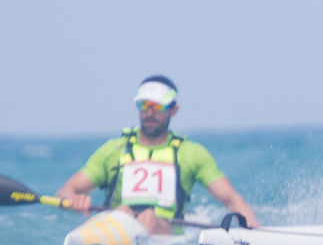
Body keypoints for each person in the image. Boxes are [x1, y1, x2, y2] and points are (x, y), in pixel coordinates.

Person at [56, 75, 258, 234]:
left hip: (165, 232)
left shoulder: (191, 153)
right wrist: (73, 199)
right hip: (118, 225)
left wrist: (253, 230)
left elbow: (231, 199)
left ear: (174, 110)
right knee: (124, 212)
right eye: (144, 105)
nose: (150, 113)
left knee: (149, 219)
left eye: (158, 106)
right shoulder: (113, 150)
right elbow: (64, 192)